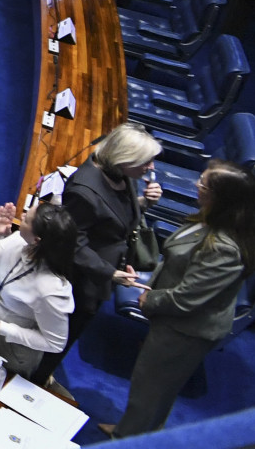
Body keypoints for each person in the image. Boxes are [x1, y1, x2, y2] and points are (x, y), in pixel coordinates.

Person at [106, 160, 255, 437]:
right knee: (153, 386)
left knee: (151, 388)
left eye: (203, 184)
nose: (196, 186)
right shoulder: (208, 219)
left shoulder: (224, 249)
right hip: (174, 316)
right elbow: (174, 263)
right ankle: (130, 431)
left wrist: (148, 300)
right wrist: (148, 285)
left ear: (220, 197)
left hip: (186, 330)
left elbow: (188, 298)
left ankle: (126, 440)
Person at [35, 123, 164, 389]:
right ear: (125, 159)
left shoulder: (119, 172)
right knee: (65, 332)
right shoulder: (84, 192)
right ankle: (34, 378)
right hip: (83, 278)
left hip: (108, 263)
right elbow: (73, 243)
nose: (151, 167)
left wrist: (143, 203)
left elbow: (113, 212)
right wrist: (111, 273)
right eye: (146, 162)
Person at [0, 200, 81, 376]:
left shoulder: (51, 290)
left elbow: (55, 344)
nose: (22, 216)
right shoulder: (19, 240)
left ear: (37, 240)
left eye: (26, 219)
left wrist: (2, 328)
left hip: (9, 350)